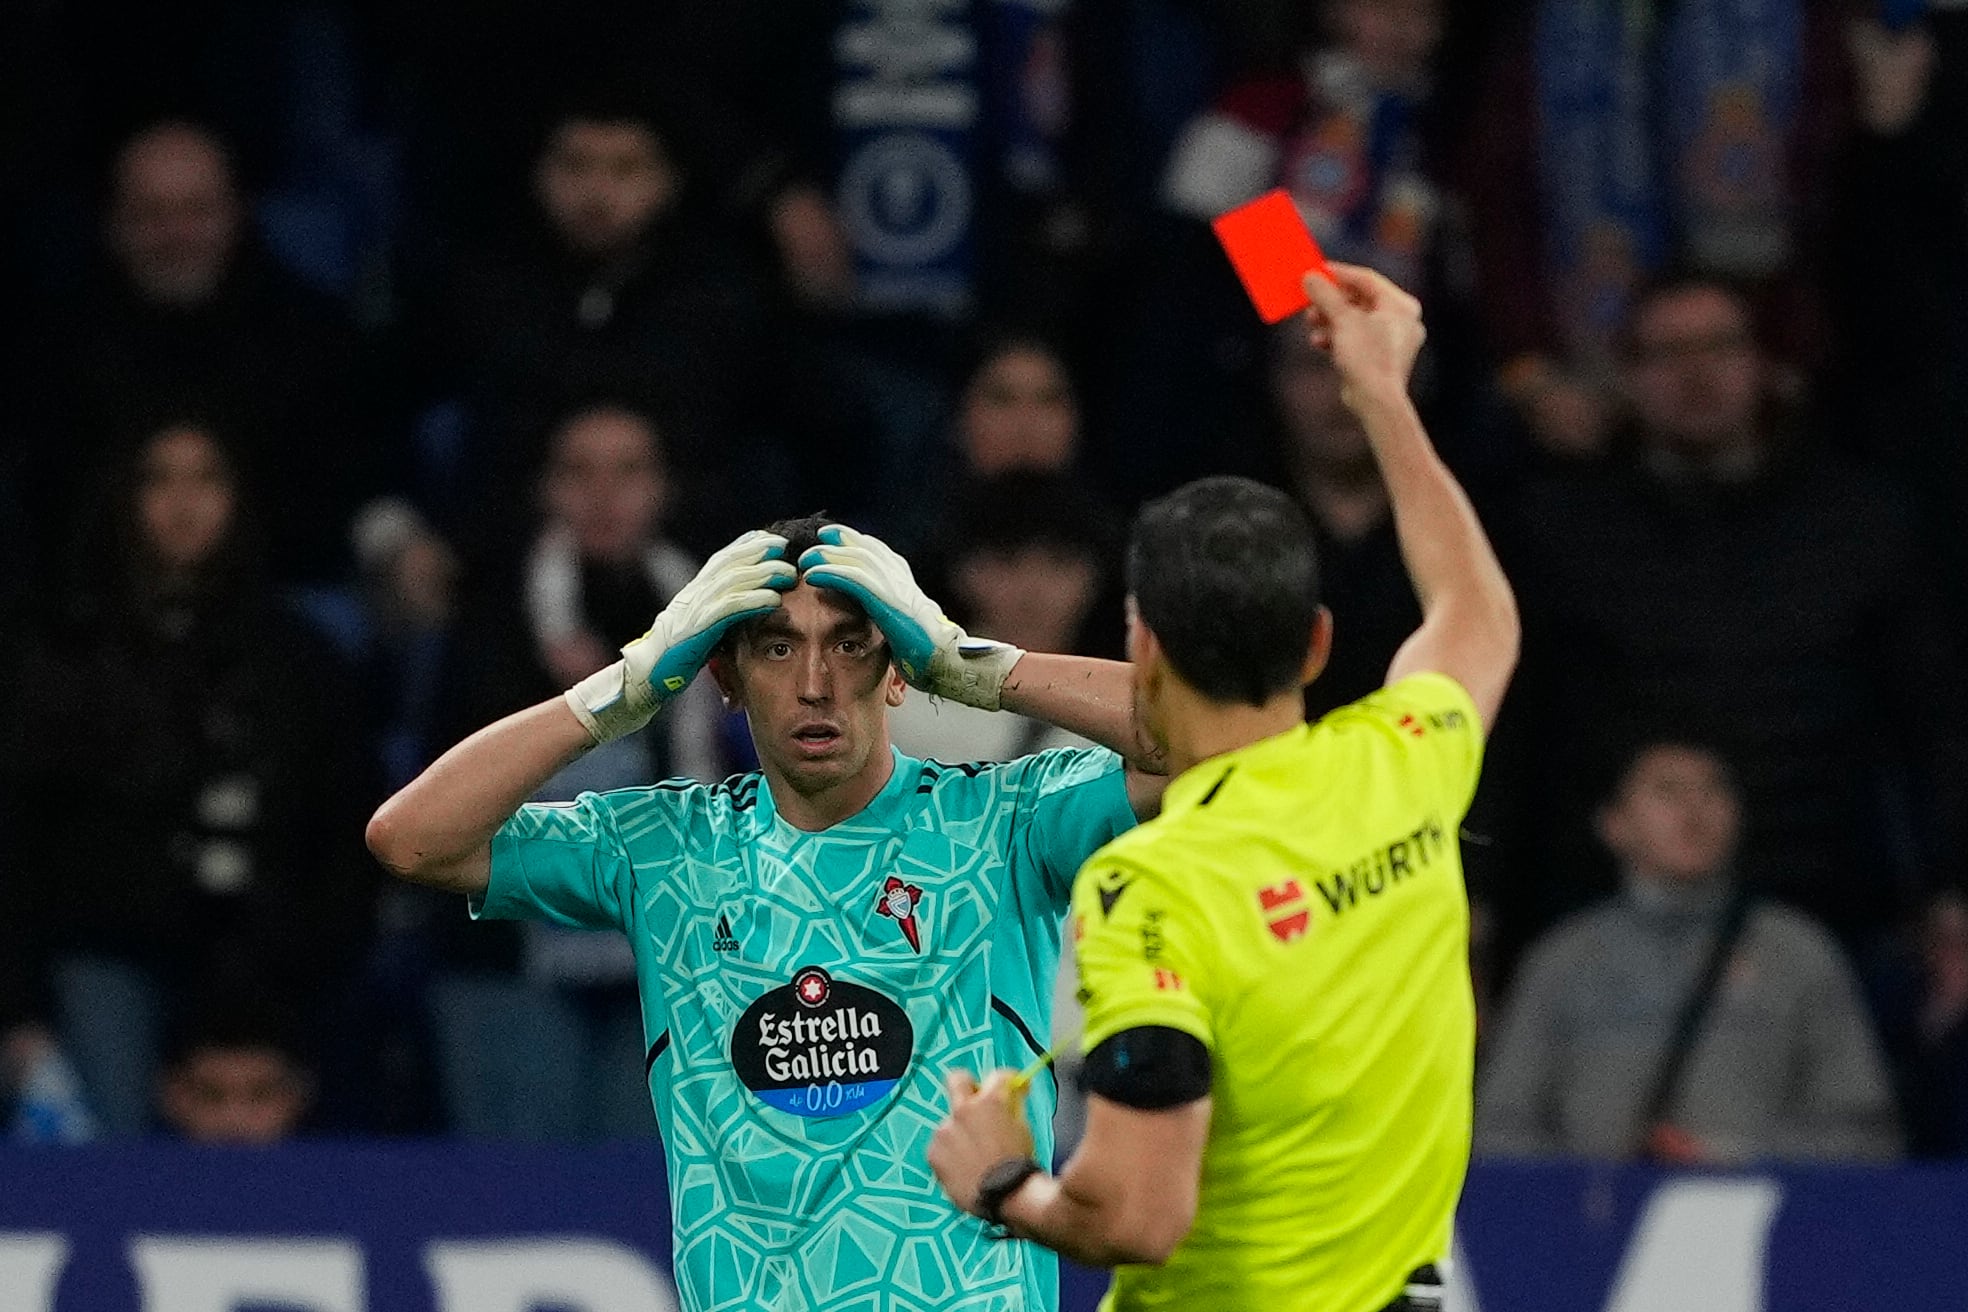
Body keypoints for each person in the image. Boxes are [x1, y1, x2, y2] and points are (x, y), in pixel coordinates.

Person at [367, 516, 1166, 1310]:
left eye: (852, 644)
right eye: (777, 647)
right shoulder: (662, 848)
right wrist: (620, 691)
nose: (815, 683)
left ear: (899, 670)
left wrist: (973, 665)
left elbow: (1200, 734)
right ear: (725, 676)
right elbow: (412, 842)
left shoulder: (1004, 824)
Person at [928, 263, 1518, 1312]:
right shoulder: (1405, 762)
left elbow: (1138, 1217)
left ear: (1140, 644)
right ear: (1320, 643)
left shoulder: (1149, 891)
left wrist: (1001, 1180)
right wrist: (1382, 391)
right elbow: (1474, 608)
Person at [0, 420, 377, 1135]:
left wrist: (297, 952)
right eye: (158, 479)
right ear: (122, 496)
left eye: (206, 479)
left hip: (278, 964)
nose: (183, 503)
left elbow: (345, 828)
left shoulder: (298, 659)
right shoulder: (61, 653)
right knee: (99, 1097)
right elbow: (22, 840)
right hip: (105, 956)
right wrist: (16, 1008)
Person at [1477, 740, 1900, 1163]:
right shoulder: (1562, 960)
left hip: (1759, 1216)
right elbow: (1499, 1126)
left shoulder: (1799, 954)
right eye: (1667, 791)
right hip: (1592, 1218)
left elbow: (1866, 1134)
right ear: (1613, 823)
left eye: (1713, 790)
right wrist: (1591, 1186)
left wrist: (1732, 1160)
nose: (1694, 812)